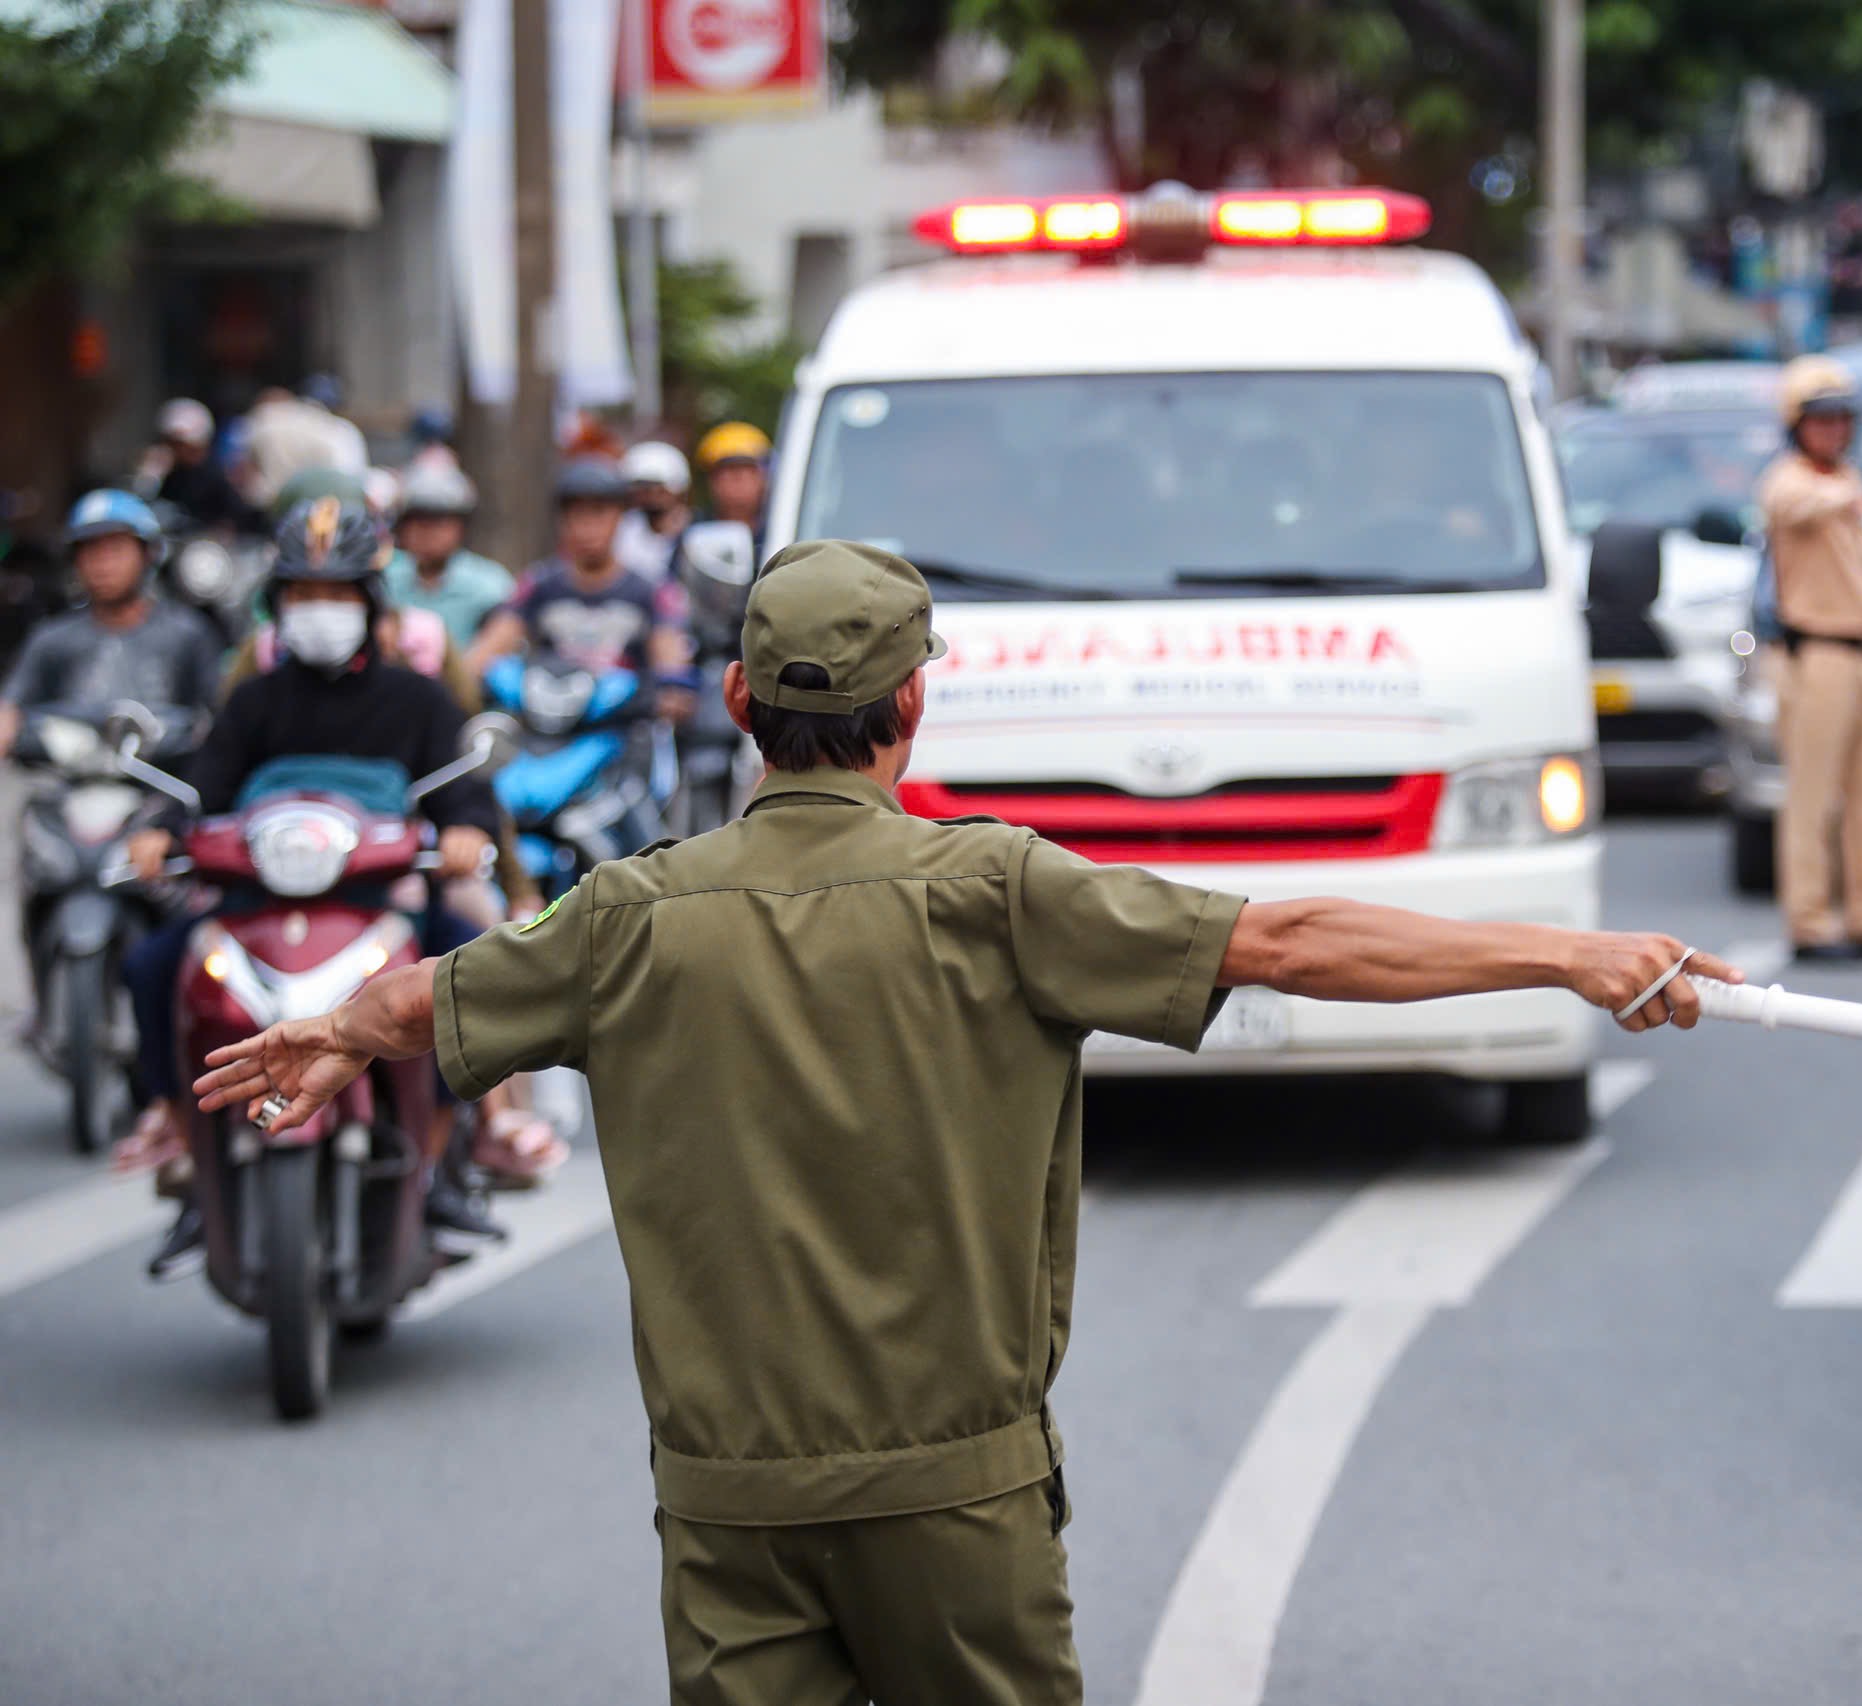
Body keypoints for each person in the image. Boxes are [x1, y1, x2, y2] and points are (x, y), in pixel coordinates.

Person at [194, 538, 1736, 1706]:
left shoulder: (629, 917)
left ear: (738, 703)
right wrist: (1569, 953)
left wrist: (325, 1028)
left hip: (729, 1499)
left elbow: (425, 994)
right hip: (957, 1497)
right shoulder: (998, 893)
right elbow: (1291, 940)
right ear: (913, 703)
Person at [120, 496, 509, 1272]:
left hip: (383, 903)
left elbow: (461, 791)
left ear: (369, 603)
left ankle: (441, 1160)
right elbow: (207, 778)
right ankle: (185, 1142)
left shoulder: (418, 699)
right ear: (278, 605)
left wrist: (468, 834)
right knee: (151, 964)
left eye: (336, 595)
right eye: (303, 594)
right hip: (257, 906)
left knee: (471, 966)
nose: (319, 611)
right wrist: (159, 830)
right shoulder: (255, 701)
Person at [1756, 356, 1862, 964]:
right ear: (1795, 425)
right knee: (1813, 795)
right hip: (1818, 652)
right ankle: (1809, 922)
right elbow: (1792, 504)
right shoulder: (1794, 482)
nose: (1834, 431)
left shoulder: (1845, 482)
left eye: (1842, 419)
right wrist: (1851, 495)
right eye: (1820, 420)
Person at [470, 458, 695, 722]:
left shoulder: (652, 590)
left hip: (620, 727)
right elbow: (489, 647)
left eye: (599, 512)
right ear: (562, 521)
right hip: (546, 723)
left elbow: (670, 654)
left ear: (620, 517)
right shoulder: (539, 584)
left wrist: (672, 688)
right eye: (577, 514)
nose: (587, 527)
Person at [0, 491, 222, 757]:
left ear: (147, 554)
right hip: (62, 785)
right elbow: (10, 709)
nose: (103, 565)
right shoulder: (52, 637)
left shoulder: (188, 633)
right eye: (91, 552)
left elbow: (214, 719)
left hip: (159, 785)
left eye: (116, 550)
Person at [384, 465, 516, 653]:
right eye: (418, 522)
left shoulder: (490, 585)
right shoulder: (386, 582)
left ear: (460, 527)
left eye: (438, 522)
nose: (427, 533)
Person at [133, 399, 262, 534]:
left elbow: (235, 517)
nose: (175, 449)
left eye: (180, 444)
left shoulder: (214, 477)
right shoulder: (167, 473)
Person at [616, 440, 692, 580]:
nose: (651, 494)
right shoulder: (619, 533)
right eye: (644, 487)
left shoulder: (696, 535)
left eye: (660, 487)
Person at [695, 421, 770, 550]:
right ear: (712, 480)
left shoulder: (786, 525)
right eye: (729, 470)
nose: (738, 479)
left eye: (748, 470)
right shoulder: (696, 532)